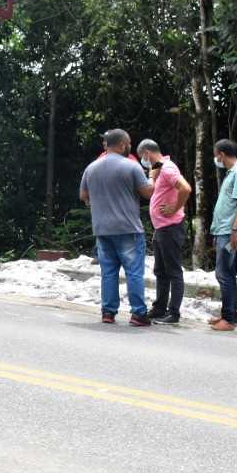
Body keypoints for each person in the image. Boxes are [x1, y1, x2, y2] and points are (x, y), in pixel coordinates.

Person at [80, 129, 154, 327]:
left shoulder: (91, 168)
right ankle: (138, 314)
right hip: (128, 228)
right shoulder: (131, 166)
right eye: (128, 143)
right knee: (134, 272)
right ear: (122, 144)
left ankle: (108, 312)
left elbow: (83, 195)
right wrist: (154, 177)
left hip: (102, 229)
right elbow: (147, 192)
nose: (130, 146)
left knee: (109, 272)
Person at [138, 139, 192, 324]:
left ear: (146, 153)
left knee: (173, 271)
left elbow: (185, 188)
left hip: (170, 227)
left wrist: (175, 207)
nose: (142, 162)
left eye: (142, 157)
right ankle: (160, 307)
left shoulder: (167, 168)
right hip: (161, 228)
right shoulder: (161, 167)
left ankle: (173, 313)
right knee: (160, 270)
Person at [209, 139, 237, 332]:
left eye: (216, 154)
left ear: (222, 154)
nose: (215, 158)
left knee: (225, 274)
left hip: (229, 232)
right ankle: (227, 314)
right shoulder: (232, 173)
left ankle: (230, 319)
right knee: (225, 273)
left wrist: (235, 231)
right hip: (223, 230)